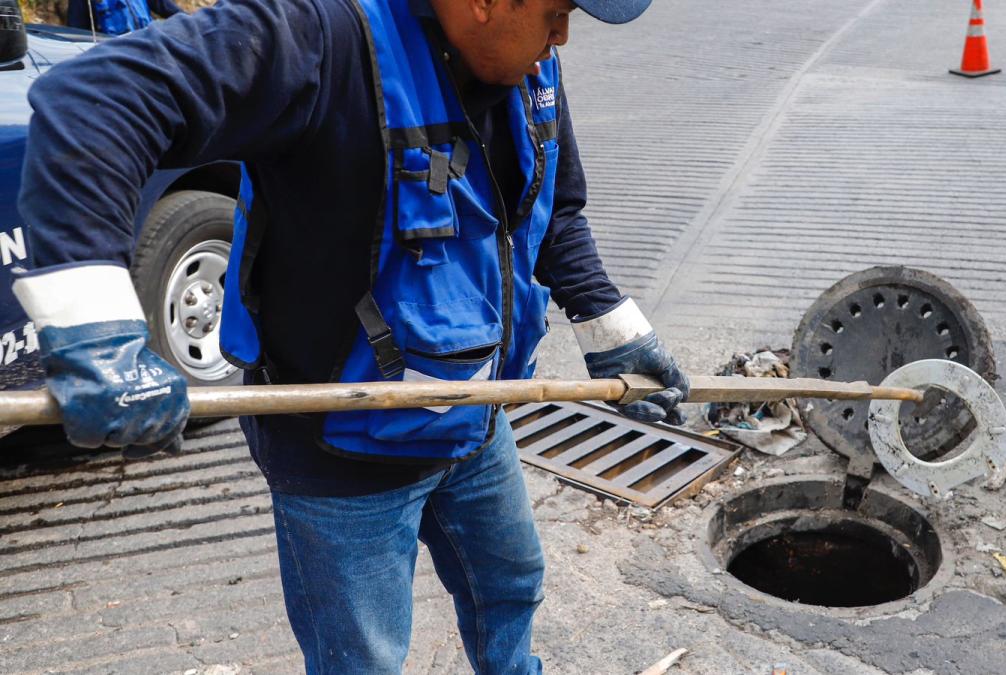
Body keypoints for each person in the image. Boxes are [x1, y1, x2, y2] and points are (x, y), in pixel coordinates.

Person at [14, 0, 688, 672]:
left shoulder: (530, 66)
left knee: (511, 585)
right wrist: (93, 325)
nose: (564, 36)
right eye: (555, 12)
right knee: (359, 659)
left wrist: (613, 328)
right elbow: (92, 100)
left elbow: (552, 211)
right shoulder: (319, 38)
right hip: (340, 449)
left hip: (473, 418)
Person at [66, 0, 184, 35]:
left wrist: (190, 22)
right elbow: (77, 33)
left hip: (149, 45)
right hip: (114, 57)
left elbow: (168, 8)